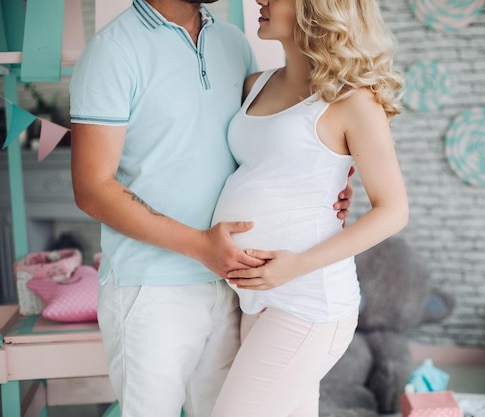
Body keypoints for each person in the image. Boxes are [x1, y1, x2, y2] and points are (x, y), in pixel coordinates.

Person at [68, 1, 353, 416]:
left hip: (233, 285)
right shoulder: (113, 50)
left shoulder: (234, 44)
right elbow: (92, 188)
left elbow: (259, 146)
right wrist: (201, 245)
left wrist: (330, 180)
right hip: (151, 286)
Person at [207, 0, 409, 415]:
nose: (260, 1)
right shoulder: (255, 86)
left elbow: (393, 210)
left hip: (308, 299)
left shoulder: (354, 101)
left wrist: (294, 265)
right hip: (257, 295)